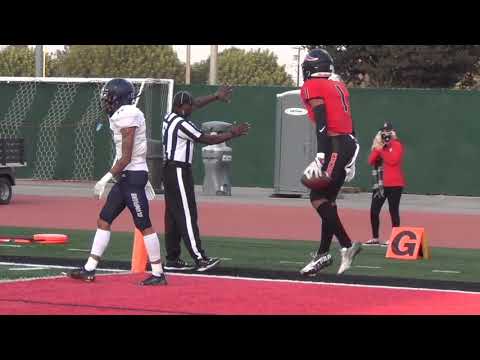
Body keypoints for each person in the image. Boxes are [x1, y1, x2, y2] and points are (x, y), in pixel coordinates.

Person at [68, 78, 166, 286]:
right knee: (104, 220)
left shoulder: (128, 115)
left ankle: (158, 273)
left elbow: (127, 157)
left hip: (132, 177)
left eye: (110, 99)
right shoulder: (122, 115)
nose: (107, 103)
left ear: (120, 99)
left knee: (143, 224)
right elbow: (122, 155)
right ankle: (89, 269)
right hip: (126, 178)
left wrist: (105, 178)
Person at [162, 89, 250, 272]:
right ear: (181, 107)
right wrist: (232, 134)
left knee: (173, 216)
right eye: (189, 106)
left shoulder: (169, 116)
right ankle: (200, 259)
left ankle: (172, 259)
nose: (192, 108)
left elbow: (197, 102)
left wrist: (215, 96)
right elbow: (208, 139)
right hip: (178, 170)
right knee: (187, 215)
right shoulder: (182, 124)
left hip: (170, 170)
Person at [298, 48, 362, 276]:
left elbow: (323, 122)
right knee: (328, 201)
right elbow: (348, 120)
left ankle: (346, 245)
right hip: (349, 142)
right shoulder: (338, 85)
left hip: (335, 144)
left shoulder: (312, 86)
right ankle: (323, 254)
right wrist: (352, 155)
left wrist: (321, 155)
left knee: (316, 197)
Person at [366, 121, 406, 245]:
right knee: (374, 210)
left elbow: (393, 160)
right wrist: (378, 146)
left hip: (395, 184)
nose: (386, 134)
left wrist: (383, 149)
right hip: (381, 185)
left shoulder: (397, 145)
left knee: (393, 210)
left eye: (388, 132)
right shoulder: (380, 146)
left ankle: (395, 238)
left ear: (393, 132)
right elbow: (371, 161)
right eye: (383, 132)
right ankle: (375, 237)